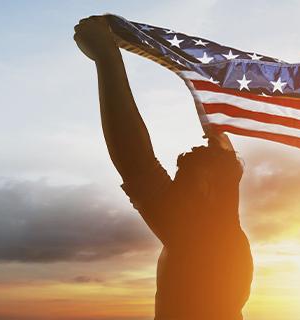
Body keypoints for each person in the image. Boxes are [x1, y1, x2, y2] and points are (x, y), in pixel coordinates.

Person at [74, 15, 253, 320]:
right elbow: (223, 155)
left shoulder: (199, 240)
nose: (170, 185)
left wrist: (107, 58)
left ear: (205, 187)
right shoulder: (226, 228)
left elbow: (137, 163)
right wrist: (201, 89)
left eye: (181, 178)